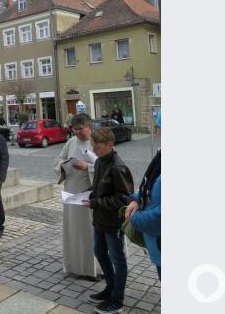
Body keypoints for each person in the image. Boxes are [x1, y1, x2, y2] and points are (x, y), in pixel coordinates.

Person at [82, 128, 135, 314]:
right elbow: (99, 187)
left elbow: (124, 198)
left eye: (97, 147)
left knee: (117, 259)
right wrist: (87, 194)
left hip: (114, 222)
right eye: (93, 147)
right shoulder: (100, 162)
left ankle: (117, 299)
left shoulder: (118, 167)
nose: (94, 151)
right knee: (100, 252)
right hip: (100, 219)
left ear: (110, 145)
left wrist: (96, 202)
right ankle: (110, 288)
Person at [54, 113, 100, 279]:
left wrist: (87, 167)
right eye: (75, 130)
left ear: (89, 126)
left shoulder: (98, 141)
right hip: (72, 193)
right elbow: (59, 161)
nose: (78, 133)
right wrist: (63, 166)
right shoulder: (71, 142)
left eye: (81, 129)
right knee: (74, 230)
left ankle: (94, 269)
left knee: (89, 231)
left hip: (90, 194)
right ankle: (76, 267)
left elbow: (108, 166)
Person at [124, 149, 161, 280]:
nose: (158, 130)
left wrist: (134, 219)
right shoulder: (160, 156)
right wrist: (136, 199)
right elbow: (148, 188)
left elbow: (160, 217)